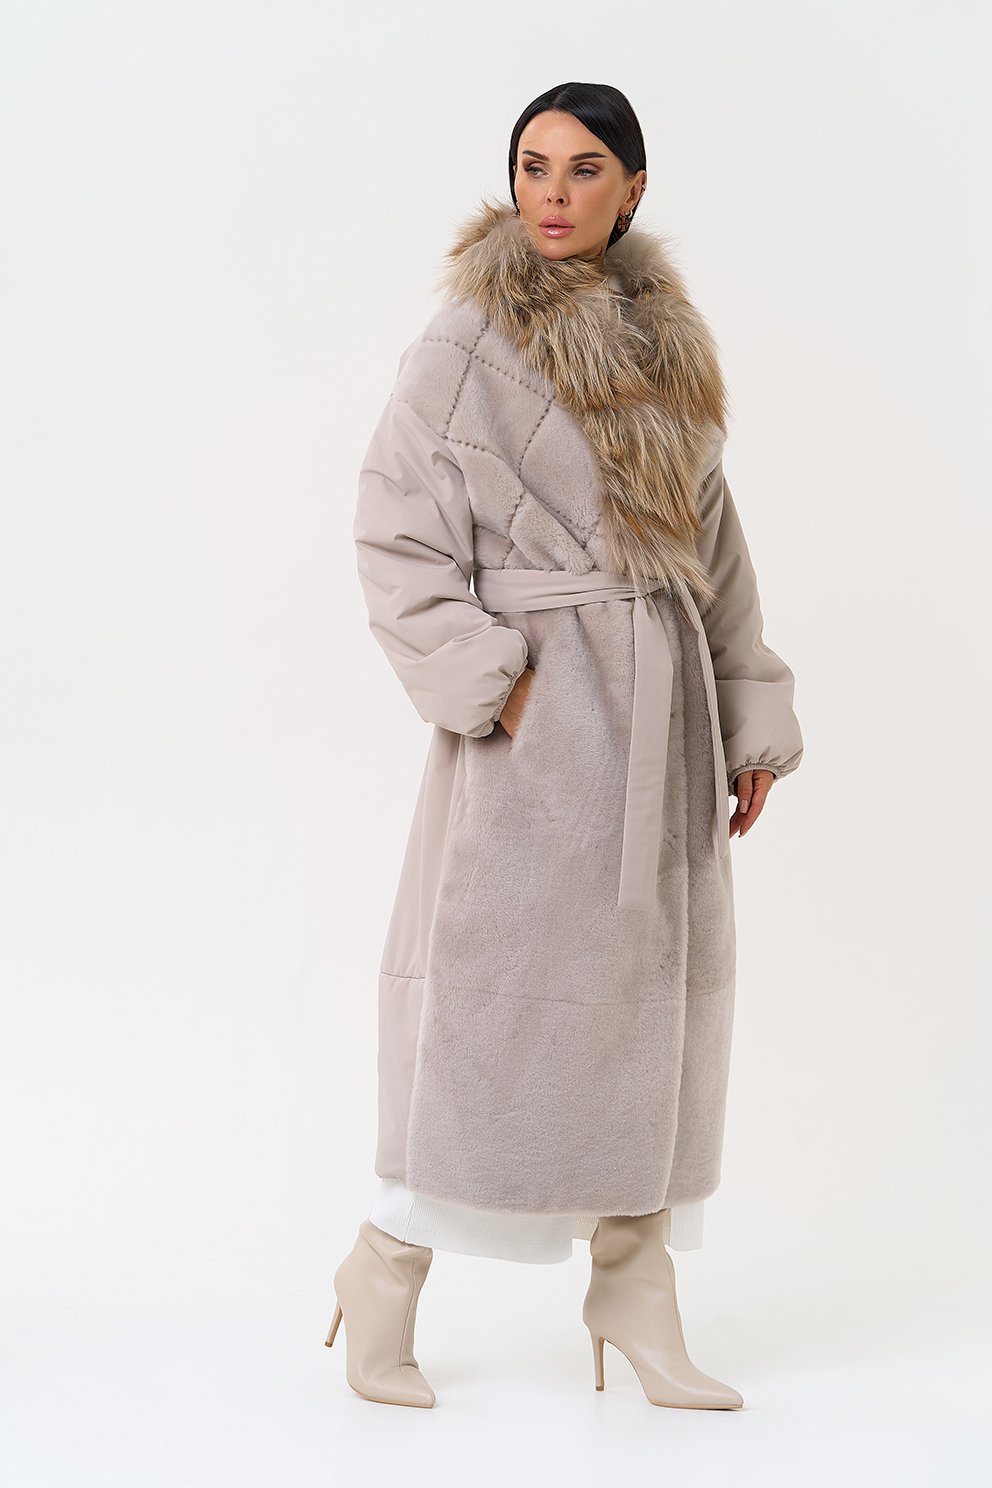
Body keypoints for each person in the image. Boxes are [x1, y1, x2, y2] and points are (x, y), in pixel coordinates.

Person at [326, 81, 803, 1411]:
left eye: (585, 168)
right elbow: (394, 534)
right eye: (533, 165)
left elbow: (711, 547)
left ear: (633, 188)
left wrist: (746, 708)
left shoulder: (671, 340)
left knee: (650, 1006)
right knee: (488, 1009)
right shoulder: (463, 341)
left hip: (664, 722)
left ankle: (635, 1291)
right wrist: (497, 685)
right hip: (534, 733)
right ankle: (385, 1267)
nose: (553, 192)